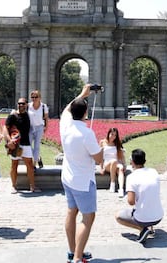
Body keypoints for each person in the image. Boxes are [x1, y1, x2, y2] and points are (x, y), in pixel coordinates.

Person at [60, 84, 103, 263]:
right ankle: (78, 258)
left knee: (71, 212)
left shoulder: (65, 124)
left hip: (68, 178)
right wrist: (102, 147)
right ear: (86, 112)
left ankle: (72, 251)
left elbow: (66, 109)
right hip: (83, 182)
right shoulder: (86, 133)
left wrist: (82, 94)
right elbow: (99, 159)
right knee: (88, 217)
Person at [115, 148, 164, 243]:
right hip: (159, 216)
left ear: (132, 162)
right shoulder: (153, 172)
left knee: (118, 216)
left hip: (142, 217)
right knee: (148, 199)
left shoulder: (131, 177)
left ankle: (143, 229)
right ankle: (150, 228)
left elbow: (131, 201)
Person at [3, 98, 41, 194]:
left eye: (23, 103)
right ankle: (13, 186)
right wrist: (9, 140)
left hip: (26, 143)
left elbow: (38, 107)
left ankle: (32, 186)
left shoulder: (28, 115)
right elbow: (5, 128)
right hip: (15, 144)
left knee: (29, 164)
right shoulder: (13, 116)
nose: (20, 105)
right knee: (14, 164)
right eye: (19, 103)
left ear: (26, 105)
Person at [99, 127, 126, 197]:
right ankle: (112, 183)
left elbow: (122, 156)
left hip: (116, 163)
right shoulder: (103, 142)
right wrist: (101, 167)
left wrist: (124, 165)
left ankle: (121, 189)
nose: (113, 137)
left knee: (120, 169)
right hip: (107, 164)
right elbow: (100, 156)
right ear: (108, 134)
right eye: (112, 134)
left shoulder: (117, 143)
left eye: (115, 135)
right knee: (114, 161)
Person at [28, 89, 49, 169]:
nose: (34, 99)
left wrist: (46, 127)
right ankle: (38, 157)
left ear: (40, 98)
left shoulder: (44, 106)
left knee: (37, 146)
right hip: (30, 127)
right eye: (32, 97)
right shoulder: (28, 106)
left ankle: (34, 164)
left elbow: (46, 118)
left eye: (36, 97)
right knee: (28, 146)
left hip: (39, 127)